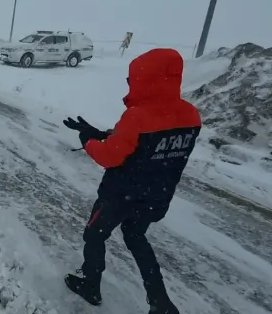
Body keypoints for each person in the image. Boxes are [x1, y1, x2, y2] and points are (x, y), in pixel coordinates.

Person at [62, 48, 201, 314]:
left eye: (132, 79)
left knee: (94, 234)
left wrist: (88, 140)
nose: (130, 84)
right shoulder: (191, 115)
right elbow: (147, 143)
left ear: (147, 79)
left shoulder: (137, 116)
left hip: (120, 196)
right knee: (136, 236)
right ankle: (160, 302)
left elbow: (109, 156)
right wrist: (101, 133)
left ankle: (91, 285)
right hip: (156, 196)